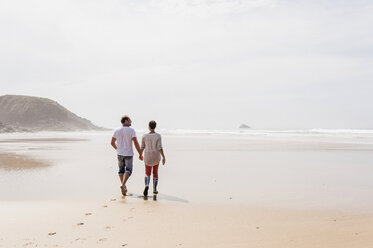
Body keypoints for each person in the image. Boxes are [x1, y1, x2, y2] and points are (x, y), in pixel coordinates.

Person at [111, 115, 143, 196]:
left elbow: (112, 142)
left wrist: (117, 149)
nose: (131, 121)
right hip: (128, 154)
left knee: (121, 171)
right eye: (129, 120)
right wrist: (140, 153)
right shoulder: (131, 130)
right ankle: (123, 184)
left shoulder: (116, 130)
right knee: (128, 170)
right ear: (125, 121)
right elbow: (136, 143)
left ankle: (124, 187)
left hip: (119, 153)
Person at [140, 120, 166, 196]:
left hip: (147, 156)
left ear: (148, 126)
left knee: (147, 173)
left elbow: (142, 147)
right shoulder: (158, 136)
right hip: (156, 156)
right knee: (155, 172)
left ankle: (147, 185)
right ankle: (154, 189)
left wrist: (140, 154)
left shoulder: (144, 136)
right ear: (155, 126)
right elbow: (159, 147)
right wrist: (163, 156)